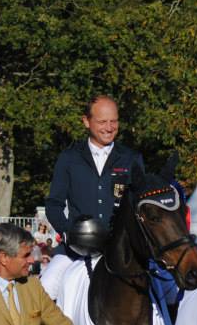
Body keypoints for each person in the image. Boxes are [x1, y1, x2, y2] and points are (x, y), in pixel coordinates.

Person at [46, 95, 144, 236]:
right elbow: (54, 204)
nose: (109, 128)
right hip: (78, 248)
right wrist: (68, 232)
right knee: (57, 260)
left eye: (114, 121)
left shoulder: (132, 158)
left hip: (121, 247)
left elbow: (141, 203)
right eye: (102, 122)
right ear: (86, 121)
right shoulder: (68, 158)